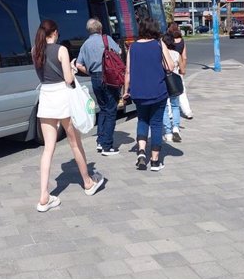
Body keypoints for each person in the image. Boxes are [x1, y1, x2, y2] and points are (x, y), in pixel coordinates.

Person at [33, 19, 104, 212]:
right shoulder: (61, 50)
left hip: (46, 97)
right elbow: (68, 79)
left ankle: (43, 197)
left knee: (48, 148)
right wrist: (72, 68)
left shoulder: (35, 50)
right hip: (63, 98)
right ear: (55, 33)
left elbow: (41, 75)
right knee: (75, 143)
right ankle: (88, 182)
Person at [122, 18, 175, 171]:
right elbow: (170, 66)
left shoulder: (133, 47)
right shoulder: (159, 44)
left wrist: (126, 91)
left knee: (142, 120)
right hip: (158, 91)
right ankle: (155, 160)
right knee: (156, 124)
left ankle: (141, 153)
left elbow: (128, 71)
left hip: (138, 92)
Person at [74, 18, 122, 156]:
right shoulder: (106, 39)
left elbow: (78, 64)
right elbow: (118, 52)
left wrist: (90, 71)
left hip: (95, 77)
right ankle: (107, 145)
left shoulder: (85, 44)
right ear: (100, 29)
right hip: (109, 77)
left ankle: (100, 141)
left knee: (103, 109)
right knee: (112, 110)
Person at [167, 23, 191, 125]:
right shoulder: (182, 41)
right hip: (178, 68)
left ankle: (169, 113)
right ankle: (188, 111)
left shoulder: (167, 41)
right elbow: (184, 57)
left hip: (168, 68)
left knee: (168, 92)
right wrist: (182, 69)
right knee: (182, 91)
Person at [162, 33, 182, 143]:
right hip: (174, 82)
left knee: (165, 107)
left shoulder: (160, 54)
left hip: (163, 82)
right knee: (175, 106)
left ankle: (168, 132)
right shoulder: (176, 54)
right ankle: (176, 128)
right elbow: (182, 69)